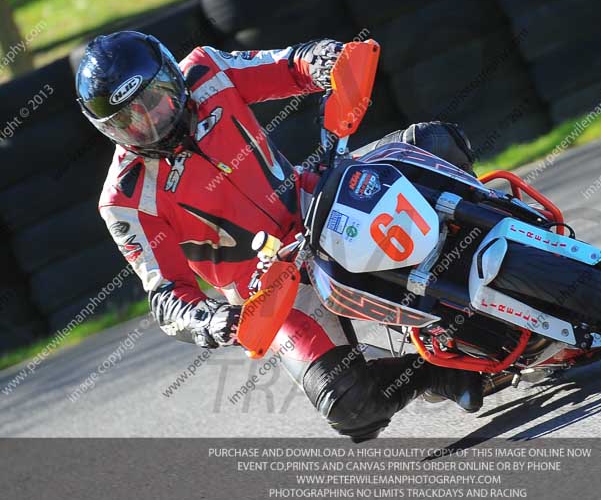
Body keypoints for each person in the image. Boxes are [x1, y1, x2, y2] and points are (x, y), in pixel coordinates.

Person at [75, 31, 482, 440]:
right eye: (129, 120)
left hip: (318, 201)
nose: (150, 122)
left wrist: (324, 60)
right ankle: (433, 372)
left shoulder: (208, 70)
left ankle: (504, 230)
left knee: (432, 144)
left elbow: (290, 66)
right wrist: (212, 320)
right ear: (109, 131)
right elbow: (167, 297)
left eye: (153, 100)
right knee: (351, 406)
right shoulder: (123, 200)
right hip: (271, 288)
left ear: (171, 76)